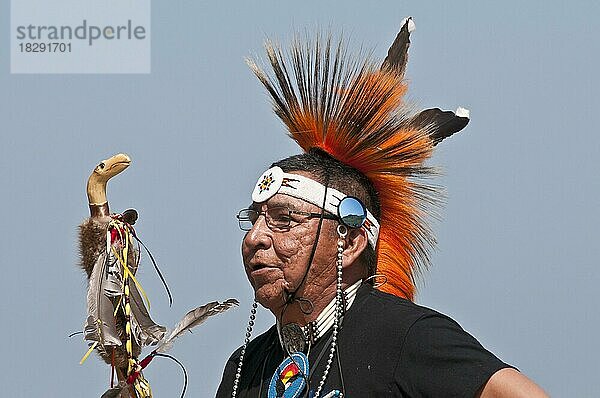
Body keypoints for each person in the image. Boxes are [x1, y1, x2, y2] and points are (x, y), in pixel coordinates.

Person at [217, 19, 548, 398]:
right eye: (254, 219)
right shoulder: (246, 367)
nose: (255, 238)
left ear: (351, 240)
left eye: (285, 221)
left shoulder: (405, 337)